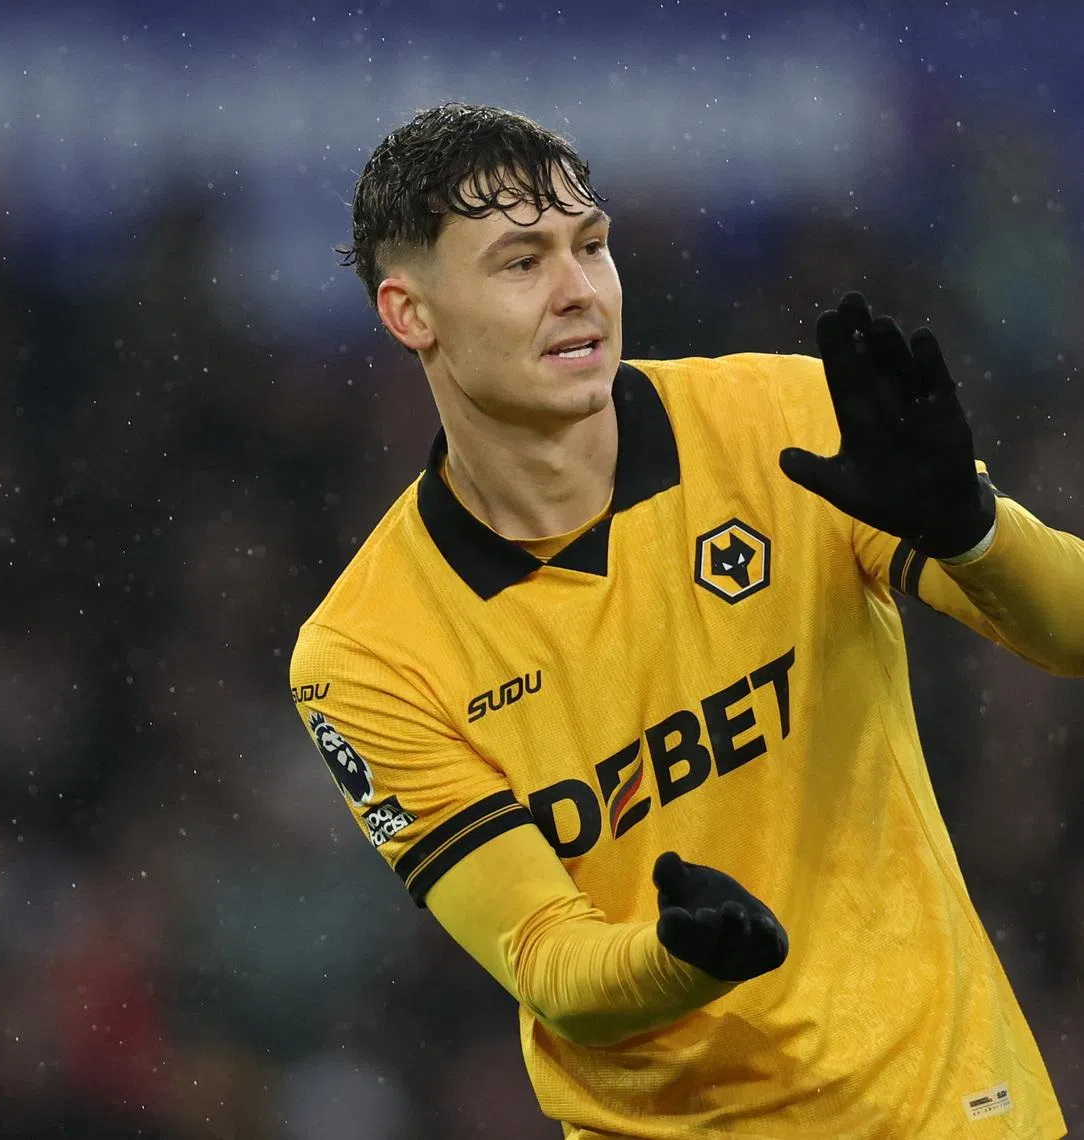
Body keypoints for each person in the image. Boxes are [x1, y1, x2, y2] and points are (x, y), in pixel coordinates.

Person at [289, 102, 1082, 1138]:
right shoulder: (367, 653)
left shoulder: (782, 425)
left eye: (592, 246)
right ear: (410, 312)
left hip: (946, 1110)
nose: (579, 292)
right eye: (521, 264)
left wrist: (976, 533)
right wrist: (680, 955)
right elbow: (547, 961)